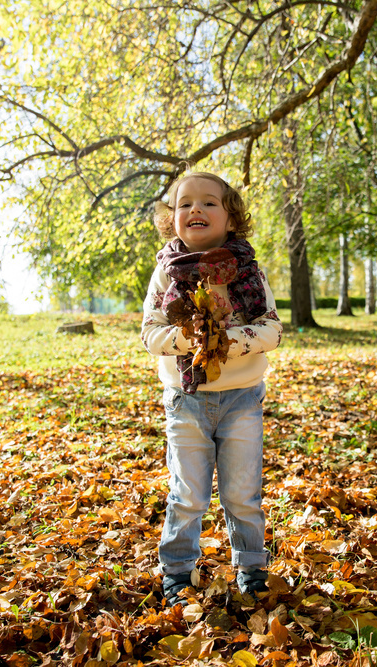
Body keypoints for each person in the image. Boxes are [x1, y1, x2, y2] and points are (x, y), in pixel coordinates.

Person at [141, 171, 283, 607]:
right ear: (172, 219)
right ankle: (178, 572)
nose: (195, 210)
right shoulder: (167, 274)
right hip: (187, 401)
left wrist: (230, 340)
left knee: (243, 492)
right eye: (184, 204)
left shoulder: (247, 271)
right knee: (188, 493)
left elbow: (272, 330)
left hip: (242, 399)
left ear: (231, 218)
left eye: (208, 203)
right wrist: (192, 338)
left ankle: (252, 568)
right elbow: (150, 334)